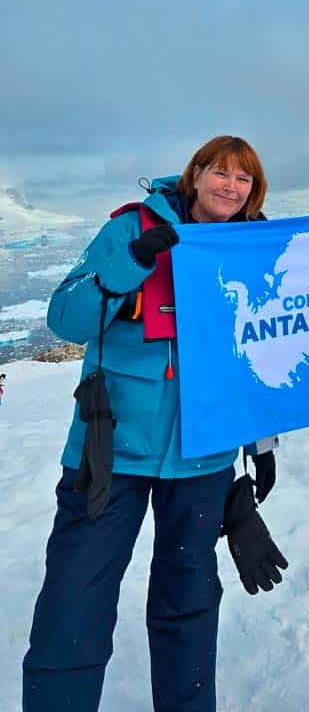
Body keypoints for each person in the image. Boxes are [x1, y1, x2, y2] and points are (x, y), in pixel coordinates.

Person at [23, 136, 286, 712]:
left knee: (188, 601)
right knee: (75, 603)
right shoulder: (131, 229)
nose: (230, 187)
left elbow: (259, 357)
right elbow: (65, 317)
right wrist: (135, 260)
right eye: (219, 173)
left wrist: (260, 445)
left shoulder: (252, 247)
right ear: (194, 176)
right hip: (109, 451)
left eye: (243, 180)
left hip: (204, 456)